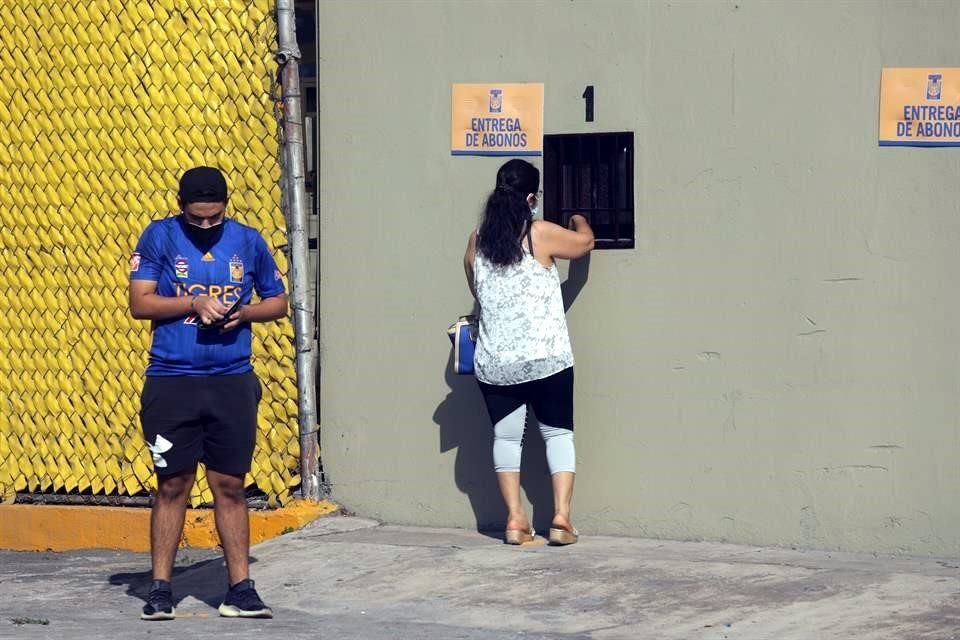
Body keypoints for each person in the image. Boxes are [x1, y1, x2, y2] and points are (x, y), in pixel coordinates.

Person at [128, 166, 288, 620]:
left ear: (225, 207)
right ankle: (161, 588)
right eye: (196, 219)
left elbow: (277, 301)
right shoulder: (159, 237)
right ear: (181, 207)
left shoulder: (248, 240)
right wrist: (193, 302)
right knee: (172, 484)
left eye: (213, 219)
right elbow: (140, 303)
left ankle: (240, 589)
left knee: (230, 486)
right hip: (172, 381)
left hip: (230, 381)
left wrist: (247, 314)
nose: (204, 227)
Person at [463, 159, 594, 546]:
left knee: (506, 440)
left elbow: (476, 285)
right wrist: (580, 220)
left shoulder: (477, 239)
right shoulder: (539, 234)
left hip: (497, 363)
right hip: (546, 359)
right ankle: (561, 519)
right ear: (531, 198)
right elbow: (584, 245)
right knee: (557, 435)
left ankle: (516, 521)